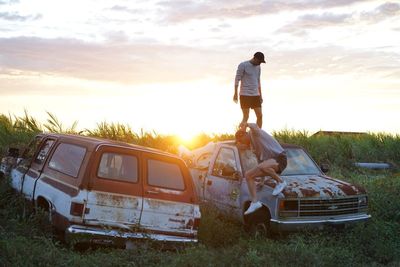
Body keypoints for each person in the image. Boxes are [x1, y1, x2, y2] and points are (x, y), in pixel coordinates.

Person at [235, 123, 287, 215]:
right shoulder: (253, 147)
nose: (241, 143)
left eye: (240, 140)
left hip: (280, 158)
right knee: (248, 175)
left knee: (262, 166)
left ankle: (281, 182)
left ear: (244, 135)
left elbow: (255, 126)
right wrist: (262, 181)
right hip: (270, 162)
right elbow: (261, 161)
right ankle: (255, 202)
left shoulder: (254, 134)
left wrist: (246, 124)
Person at [233, 52, 266, 129]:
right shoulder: (243, 65)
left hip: (255, 95)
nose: (259, 64)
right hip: (245, 94)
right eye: (259, 61)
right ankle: (241, 135)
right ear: (255, 58)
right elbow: (237, 79)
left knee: (260, 116)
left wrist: (260, 95)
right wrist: (235, 93)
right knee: (246, 116)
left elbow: (258, 81)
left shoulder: (258, 67)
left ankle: (258, 136)